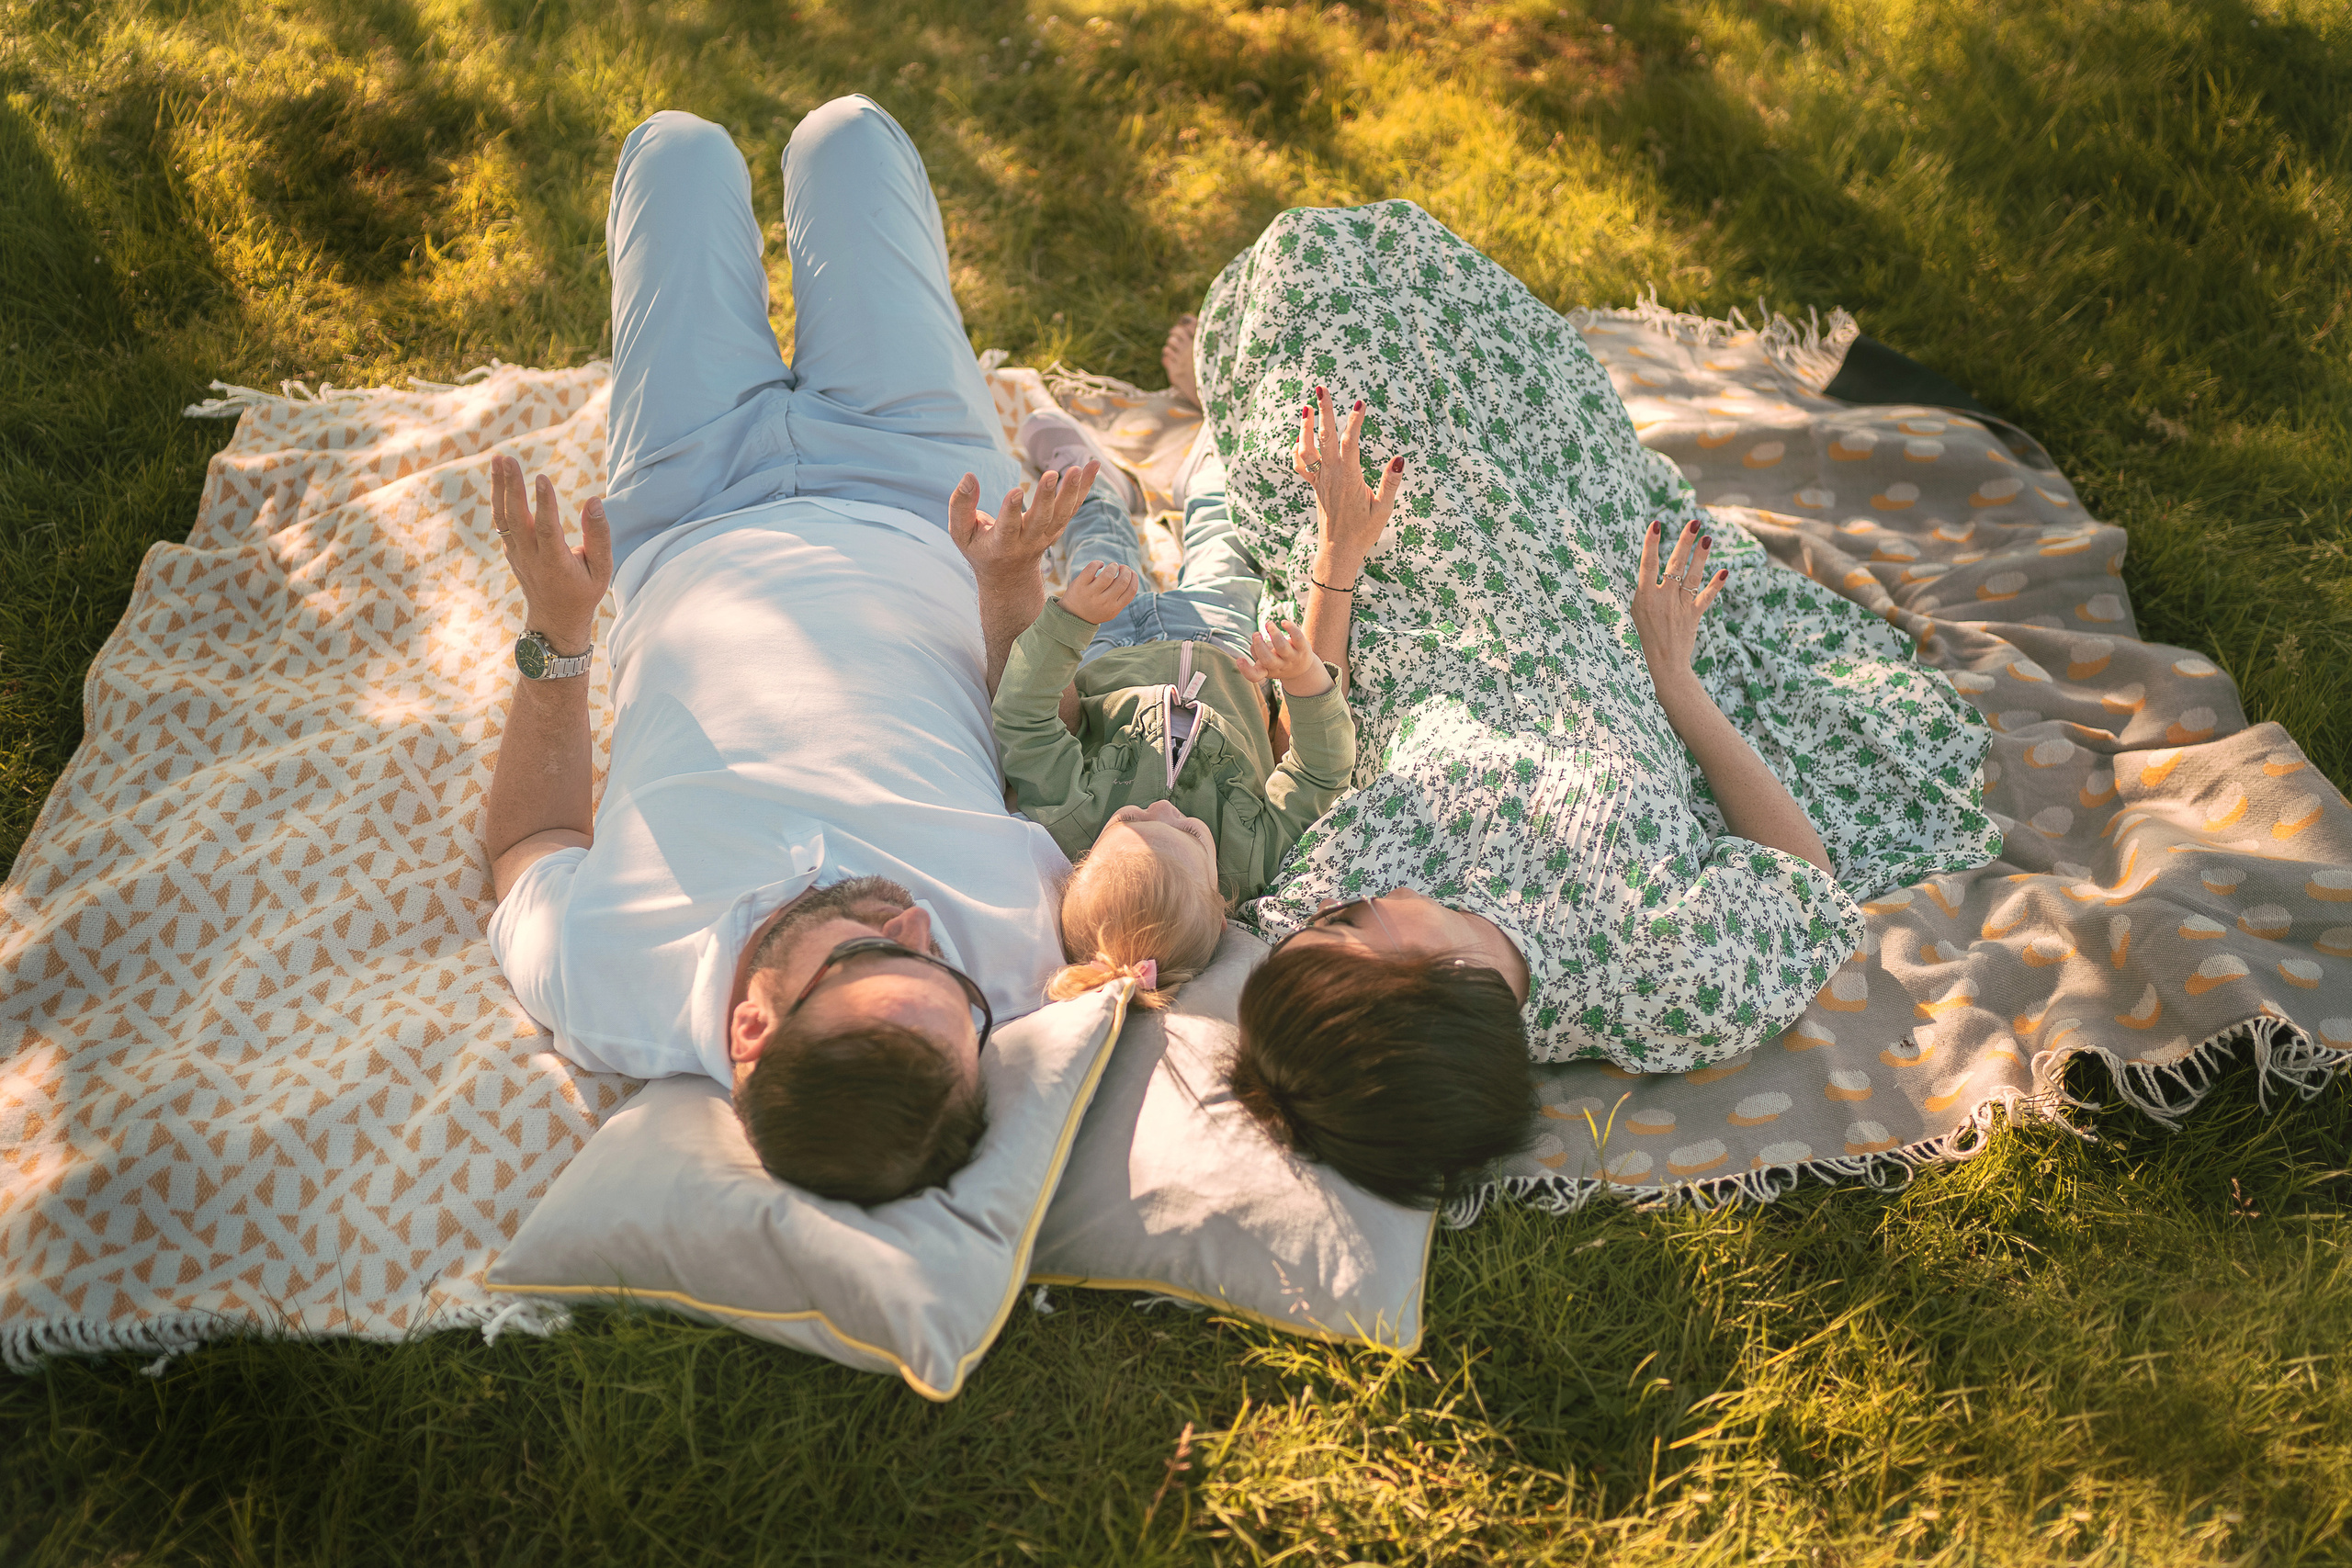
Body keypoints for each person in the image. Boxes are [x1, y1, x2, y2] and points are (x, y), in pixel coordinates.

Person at [1187, 201, 2001, 1206]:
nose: (1326, 904)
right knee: (1349, 285)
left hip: (1395, 583)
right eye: (1350, 924)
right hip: (1589, 597)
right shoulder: (1668, 980)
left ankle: (1221, 418)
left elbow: (1311, 740)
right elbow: (1803, 878)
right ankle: (1226, 413)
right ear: (1433, 984)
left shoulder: (1319, 911)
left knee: (1327, 280)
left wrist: (1337, 555)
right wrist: (1678, 683)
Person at [481, 97, 1102, 1206]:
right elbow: (1043, 750)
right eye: (945, 982)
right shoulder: (1017, 952)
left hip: (684, 508)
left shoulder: (608, 980)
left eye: (874, 958)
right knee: (850, 136)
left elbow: (531, 837)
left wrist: (559, 629)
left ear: (749, 1029)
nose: (914, 924)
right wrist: (1009, 580)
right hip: (926, 494)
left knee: (673, 151)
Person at [993, 405, 1358, 1008]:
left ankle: (1094, 482)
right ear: (1223, 909)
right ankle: (1209, 465)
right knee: (1223, 542)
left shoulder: (1072, 818)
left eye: (1131, 822)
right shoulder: (1251, 857)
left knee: (1099, 544)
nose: (1160, 808)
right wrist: (1306, 680)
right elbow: (1320, 771)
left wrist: (1069, 621)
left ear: (1078, 865)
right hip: (1219, 641)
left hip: (1103, 642)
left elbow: (1024, 720)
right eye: (1189, 830)